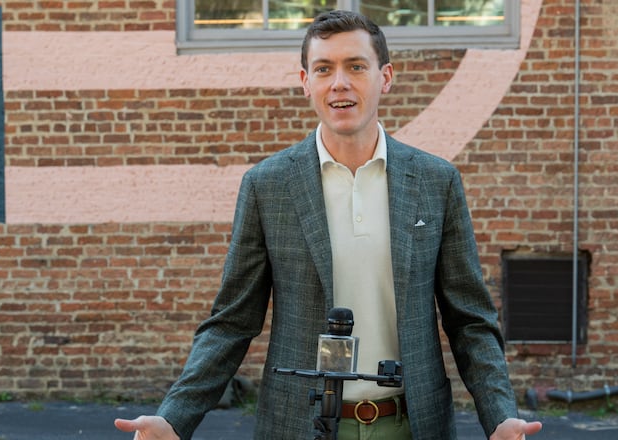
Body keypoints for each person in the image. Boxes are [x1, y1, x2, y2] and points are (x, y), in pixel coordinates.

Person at [115, 9, 542, 440]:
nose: (340, 82)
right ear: (306, 83)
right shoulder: (269, 185)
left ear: (385, 77)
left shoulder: (436, 182)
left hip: (410, 425)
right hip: (298, 426)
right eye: (324, 69)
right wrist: (174, 417)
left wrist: (500, 415)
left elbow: (470, 320)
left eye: (356, 66)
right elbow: (232, 321)